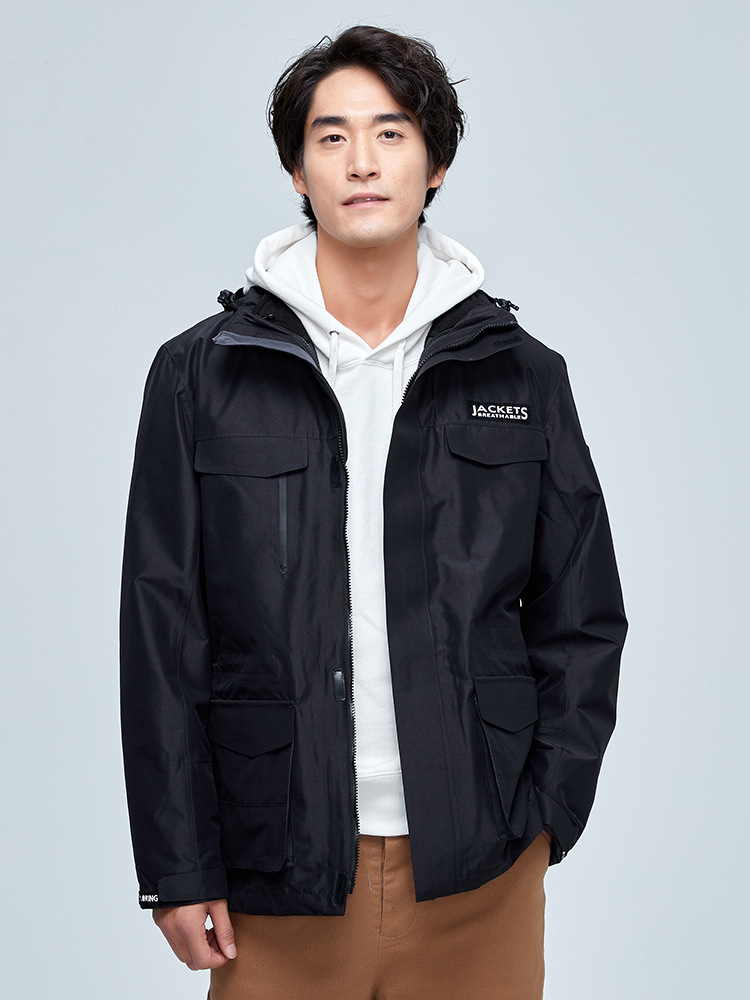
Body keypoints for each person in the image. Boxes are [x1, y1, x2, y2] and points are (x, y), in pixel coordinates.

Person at [120, 24, 627, 1000]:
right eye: (332, 135)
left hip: (479, 871)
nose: (362, 161)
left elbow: (582, 613)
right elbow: (162, 630)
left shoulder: (522, 375)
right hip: (275, 873)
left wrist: (546, 813)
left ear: (435, 164)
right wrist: (177, 866)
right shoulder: (200, 374)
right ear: (296, 168)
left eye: (391, 133)